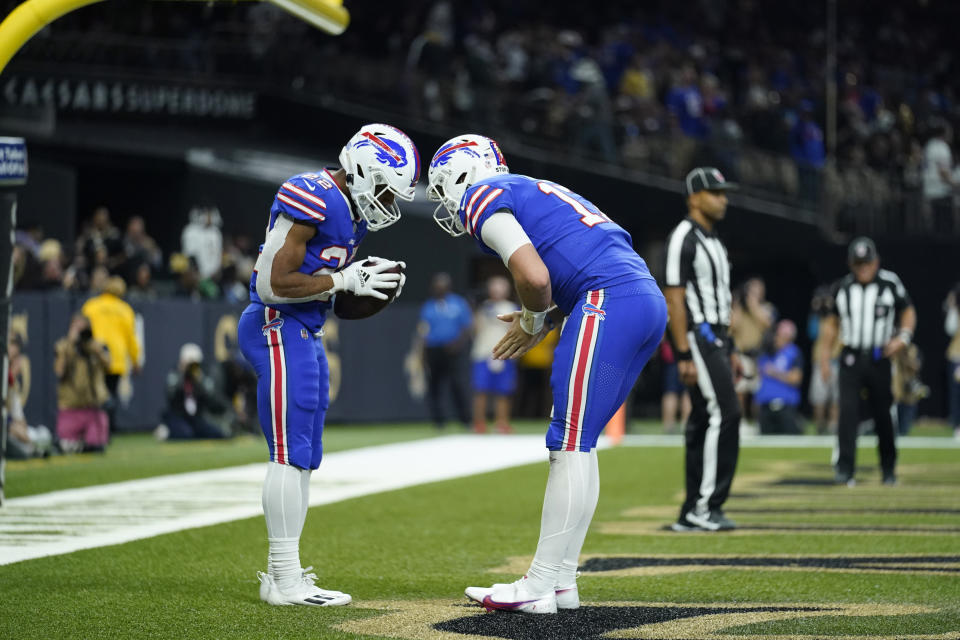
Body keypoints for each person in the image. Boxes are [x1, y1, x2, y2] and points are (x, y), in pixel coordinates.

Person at [428, 134, 666, 613]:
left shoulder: (483, 194)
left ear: (460, 175)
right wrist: (550, 316)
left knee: (567, 442)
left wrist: (536, 317)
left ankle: (538, 584)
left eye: (441, 188)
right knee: (580, 443)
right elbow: (578, 258)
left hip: (608, 301)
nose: (445, 202)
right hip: (641, 300)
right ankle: (559, 581)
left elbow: (535, 277)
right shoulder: (532, 187)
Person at [237, 123, 418, 607]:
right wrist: (343, 279)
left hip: (306, 329)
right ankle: (283, 576)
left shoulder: (353, 213)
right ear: (361, 167)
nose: (386, 200)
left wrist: (359, 288)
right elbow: (272, 284)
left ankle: (287, 574)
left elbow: (330, 292)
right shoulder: (311, 193)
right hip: (276, 323)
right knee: (287, 454)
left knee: (304, 456)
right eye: (382, 187)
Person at [663, 166, 741, 532]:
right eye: (715, 192)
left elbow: (722, 300)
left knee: (700, 421)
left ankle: (691, 508)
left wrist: (734, 347)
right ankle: (706, 507)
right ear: (694, 197)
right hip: (698, 337)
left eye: (724, 193)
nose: (722, 199)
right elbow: (675, 299)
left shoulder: (716, 241)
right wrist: (682, 353)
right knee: (724, 413)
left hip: (718, 338)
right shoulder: (684, 236)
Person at [818, 237, 917, 486]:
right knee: (848, 415)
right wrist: (824, 359)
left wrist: (903, 338)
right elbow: (830, 325)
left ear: (876, 262)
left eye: (867, 263)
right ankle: (845, 469)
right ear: (851, 264)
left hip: (879, 356)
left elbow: (907, 310)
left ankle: (888, 468)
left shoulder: (889, 283)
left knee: (883, 415)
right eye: (858, 263)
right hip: (851, 357)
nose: (863, 268)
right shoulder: (842, 288)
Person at [81, 275, 142, 433]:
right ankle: (108, 429)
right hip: (117, 359)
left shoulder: (91, 306)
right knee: (111, 394)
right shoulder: (125, 310)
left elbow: (83, 332)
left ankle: (95, 428)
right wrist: (135, 360)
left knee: (95, 394)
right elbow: (131, 339)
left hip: (95, 356)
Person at [415, 272, 473, 429]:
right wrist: (423, 353)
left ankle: (465, 419)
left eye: (442, 285)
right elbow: (423, 331)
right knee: (435, 386)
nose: (439, 288)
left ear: (448, 287)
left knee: (457, 385)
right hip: (434, 349)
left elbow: (466, 327)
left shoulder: (458, 303)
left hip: (453, 349)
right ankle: (438, 421)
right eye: (437, 286)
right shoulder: (428, 306)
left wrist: (458, 343)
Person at [53, 314, 111, 453]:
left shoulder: (97, 346)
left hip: (93, 409)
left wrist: (97, 351)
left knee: (96, 447)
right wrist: (69, 345)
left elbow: (109, 366)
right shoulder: (63, 347)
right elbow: (59, 372)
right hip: (70, 408)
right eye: (76, 327)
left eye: (83, 328)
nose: (80, 332)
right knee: (65, 447)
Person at [470, 275, 519, 433]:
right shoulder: (483, 307)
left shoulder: (512, 307)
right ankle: (479, 423)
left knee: (503, 391)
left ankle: (502, 423)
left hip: (504, 353)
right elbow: (475, 329)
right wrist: (476, 312)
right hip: (483, 352)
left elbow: (516, 328)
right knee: (481, 389)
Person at [156, 343, 231, 441]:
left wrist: (200, 379)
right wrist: (182, 373)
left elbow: (211, 394)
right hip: (178, 415)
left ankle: (193, 432)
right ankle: (166, 431)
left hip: (195, 417)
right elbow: (170, 394)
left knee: (217, 434)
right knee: (185, 435)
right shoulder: (174, 374)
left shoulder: (200, 377)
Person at [730, 277, 775, 434]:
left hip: (759, 355)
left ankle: (757, 422)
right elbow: (732, 326)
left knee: (758, 392)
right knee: (740, 390)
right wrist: (738, 305)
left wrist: (753, 304)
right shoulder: (739, 308)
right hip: (742, 354)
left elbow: (767, 323)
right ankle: (740, 422)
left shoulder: (766, 307)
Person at [755, 320, 803, 435]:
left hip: (785, 406)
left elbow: (796, 378)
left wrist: (774, 373)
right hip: (765, 407)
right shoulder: (765, 353)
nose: (778, 338)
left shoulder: (793, 352)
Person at [808, 286, 839, 434]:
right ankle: (820, 426)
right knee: (819, 397)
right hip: (820, 360)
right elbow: (812, 333)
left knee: (836, 397)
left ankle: (834, 426)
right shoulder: (818, 318)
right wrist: (816, 311)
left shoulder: (838, 316)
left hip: (837, 359)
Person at [659, 337, 691, 434]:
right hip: (687, 354)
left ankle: (669, 425)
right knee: (687, 392)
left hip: (671, 355)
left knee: (671, 391)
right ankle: (686, 424)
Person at [943, 284, 960, 439]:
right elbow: (950, 328)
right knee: (956, 393)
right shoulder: (956, 312)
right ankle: (957, 425)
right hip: (958, 356)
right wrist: (953, 306)